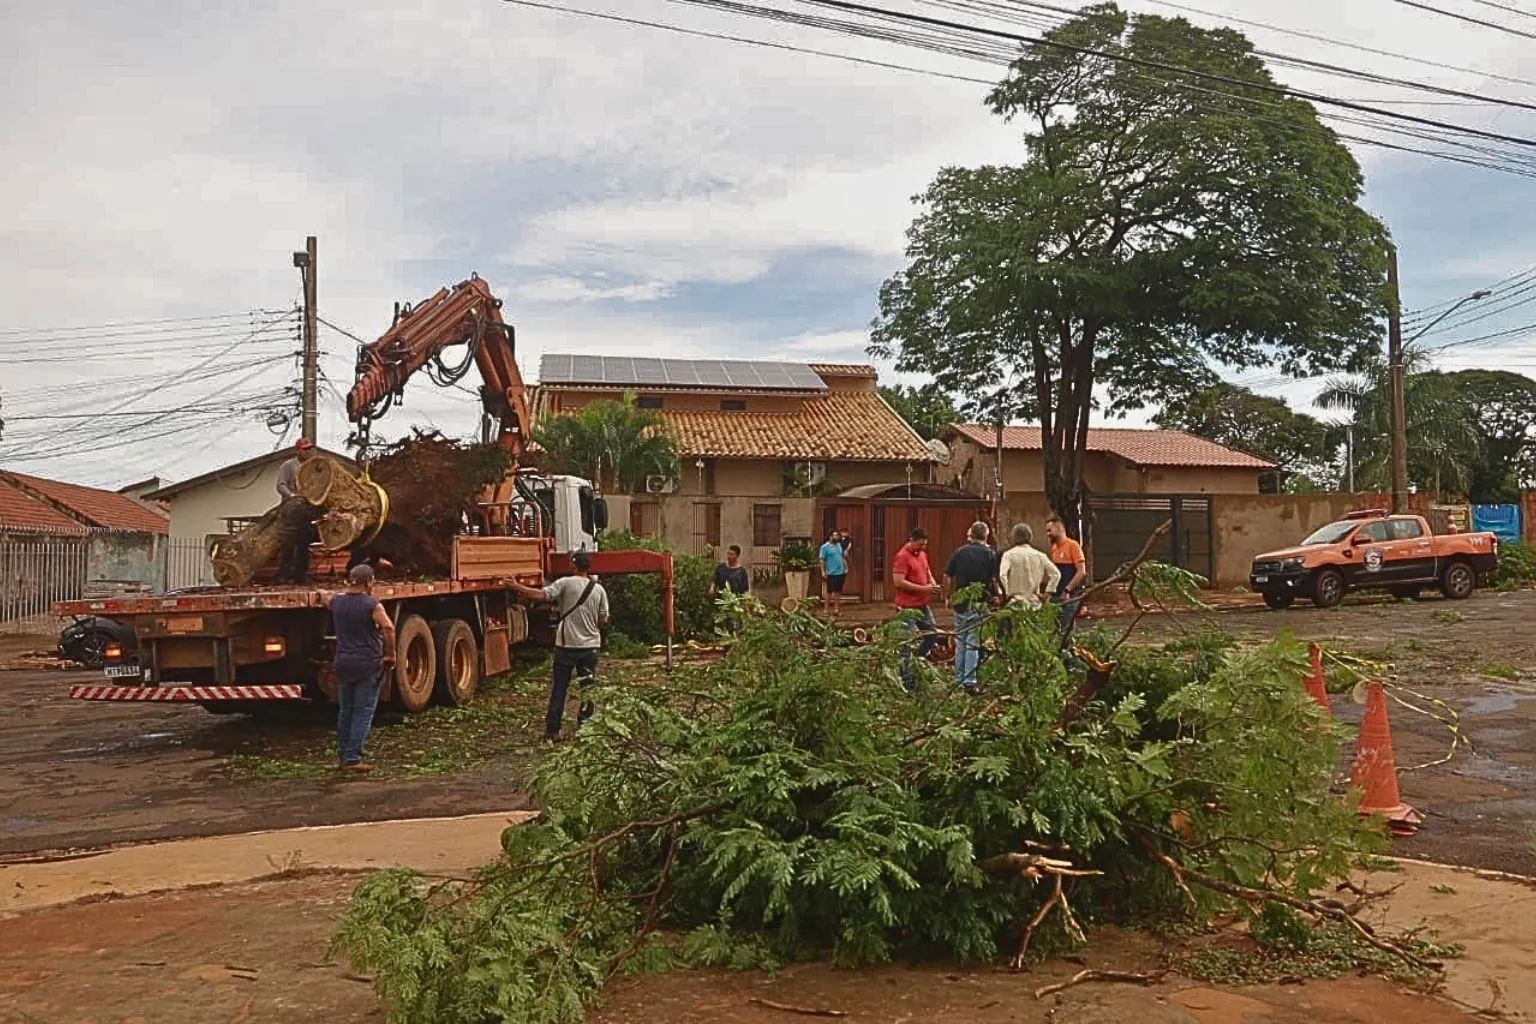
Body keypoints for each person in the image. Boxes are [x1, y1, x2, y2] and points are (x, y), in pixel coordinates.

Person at [511, 550, 610, 741]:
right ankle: (586, 728)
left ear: (573, 565)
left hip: (566, 646)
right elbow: (603, 619)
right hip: (590, 647)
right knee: (587, 688)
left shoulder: (565, 583)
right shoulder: (599, 590)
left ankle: (553, 730)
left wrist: (516, 587)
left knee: (560, 688)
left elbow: (541, 595)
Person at [324, 563, 396, 773]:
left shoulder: (337, 602)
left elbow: (326, 599)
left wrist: (321, 593)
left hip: (343, 663)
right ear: (368, 583)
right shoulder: (372, 605)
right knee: (362, 712)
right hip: (366, 664)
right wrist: (390, 655)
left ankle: (343, 756)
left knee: (345, 711)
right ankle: (353, 759)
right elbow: (388, 627)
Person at [944, 521, 998, 691]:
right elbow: (994, 580)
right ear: (986, 535)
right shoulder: (990, 554)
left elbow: (947, 575)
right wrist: (996, 597)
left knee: (960, 642)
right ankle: (970, 681)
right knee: (972, 644)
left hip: (961, 603)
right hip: (979, 603)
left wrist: (947, 596)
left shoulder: (960, 552)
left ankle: (958, 679)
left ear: (971, 535)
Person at [892, 526, 942, 692]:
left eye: (925, 545)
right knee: (906, 644)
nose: (922, 547)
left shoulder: (922, 555)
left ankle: (917, 661)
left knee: (932, 635)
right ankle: (907, 681)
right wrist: (924, 589)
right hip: (907, 606)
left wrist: (932, 584)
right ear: (912, 540)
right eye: (920, 544)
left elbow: (927, 572)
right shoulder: (902, 556)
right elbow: (898, 582)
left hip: (922, 605)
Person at [275, 437, 319, 584]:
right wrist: (292, 496)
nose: (308, 452)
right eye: (305, 449)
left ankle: (301, 575)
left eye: (310, 449)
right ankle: (283, 575)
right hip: (291, 511)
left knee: (303, 543)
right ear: (298, 451)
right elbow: (281, 485)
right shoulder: (288, 466)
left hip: (306, 511)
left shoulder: (312, 467)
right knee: (288, 544)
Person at [1045, 515, 1089, 645]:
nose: (1048, 534)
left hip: (1070, 595)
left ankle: (1070, 653)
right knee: (1057, 629)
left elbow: (1081, 572)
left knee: (1066, 630)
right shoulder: (1054, 549)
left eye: (1050, 530)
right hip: (1056, 595)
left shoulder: (1073, 546)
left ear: (1059, 529)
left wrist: (1068, 589)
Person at [997, 523, 1061, 609]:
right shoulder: (1040, 555)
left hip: (1015, 603)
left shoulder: (1008, 555)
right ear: (1030, 537)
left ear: (1013, 537)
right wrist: (1048, 593)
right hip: (1035, 603)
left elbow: (1002, 575)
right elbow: (1056, 574)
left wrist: (1007, 593)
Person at [818, 528, 849, 617]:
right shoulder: (825, 547)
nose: (837, 537)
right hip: (831, 573)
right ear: (830, 537)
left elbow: (842, 557)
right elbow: (822, 560)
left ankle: (836, 610)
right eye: (835, 535)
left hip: (840, 572)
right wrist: (823, 571)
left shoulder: (839, 545)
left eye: (837, 535)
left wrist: (846, 567)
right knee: (829, 592)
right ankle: (826, 610)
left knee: (838, 592)